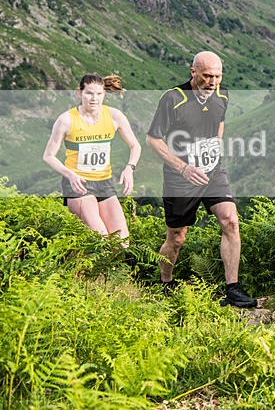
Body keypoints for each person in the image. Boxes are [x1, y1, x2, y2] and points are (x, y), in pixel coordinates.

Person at [146, 51, 256, 308]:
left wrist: (217, 144)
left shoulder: (222, 94)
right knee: (177, 237)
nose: (213, 81)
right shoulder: (173, 98)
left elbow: (219, 121)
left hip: (212, 172)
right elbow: (153, 140)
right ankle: (166, 283)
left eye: (217, 76)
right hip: (180, 178)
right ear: (193, 72)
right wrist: (183, 168)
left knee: (230, 221)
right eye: (207, 76)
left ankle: (232, 289)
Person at [43, 73, 141, 247]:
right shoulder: (66, 120)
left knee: (122, 244)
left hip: (105, 183)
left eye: (99, 94)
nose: (94, 98)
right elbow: (48, 156)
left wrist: (129, 169)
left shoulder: (114, 116)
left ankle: (104, 274)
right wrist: (70, 175)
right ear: (79, 92)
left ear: (104, 94)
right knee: (101, 240)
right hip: (79, 185)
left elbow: (135, 146)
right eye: (89, 93)